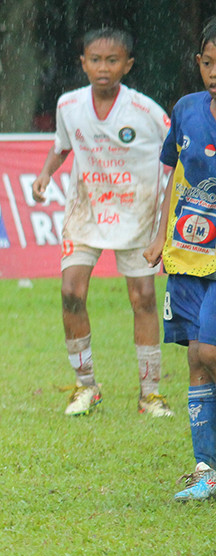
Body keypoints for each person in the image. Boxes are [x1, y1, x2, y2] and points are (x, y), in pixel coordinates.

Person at [32, 28, 172, 418]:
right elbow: (61, 146)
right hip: (86, 211)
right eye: (95, 60)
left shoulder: (146, 111)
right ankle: (86, 387)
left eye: (113, 61)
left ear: (128, 65)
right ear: (83, 63)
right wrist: (45, 175)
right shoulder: (69, 106)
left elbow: (177, 149)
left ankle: (150, 395)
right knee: (71, 291)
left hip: (136, 213)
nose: (103, 68)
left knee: (142, 299)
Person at [144, 18, 216, 500]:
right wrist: (157, 235)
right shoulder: (187, 110)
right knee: (194, 357)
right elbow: (171, 174)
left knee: (210, 352)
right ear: (199, 63)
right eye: (210, 63)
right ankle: (205, 472)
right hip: (187, 253)